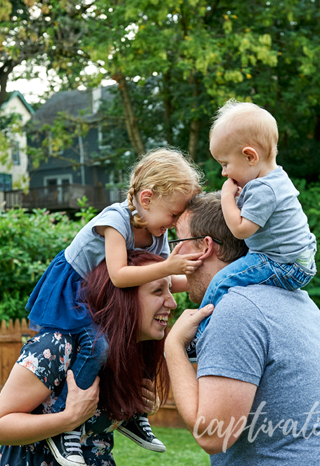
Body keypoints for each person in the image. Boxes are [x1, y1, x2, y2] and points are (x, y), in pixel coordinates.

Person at [24, 148, 203, 465]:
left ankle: (131, 411)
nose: (175, 223)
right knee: (96, 345)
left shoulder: (155, 233)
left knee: (149, 341)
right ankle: (67, 423)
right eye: (174, 214)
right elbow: (120, 275)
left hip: (104, 296)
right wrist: (169, 266)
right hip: (73, 291)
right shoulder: (115, 220)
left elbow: (161, 280)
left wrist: (206, 276)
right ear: (146, 199)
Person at [165, 193, 320, 465]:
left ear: (205, 246)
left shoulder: (237, 309)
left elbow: (213, 435)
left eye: (178, 242)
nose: (173, 254)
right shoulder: (297, 300)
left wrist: (174, 347)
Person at [0, 250, 175, 466]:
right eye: (158, 290)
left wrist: (137, 404)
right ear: (122, 297)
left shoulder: (132, 351)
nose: (172, 302)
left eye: (170, 289)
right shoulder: (58, 346)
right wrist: (68, 419)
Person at [187, 100, 317, 360]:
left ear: (250, 156)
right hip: (296, 260)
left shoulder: (263, 189)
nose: (224, 173)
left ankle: (198, 338)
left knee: (222, 281)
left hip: (280, 263)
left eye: (225, 164)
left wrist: (226, 197)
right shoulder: (276, 179)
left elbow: (240, 229)